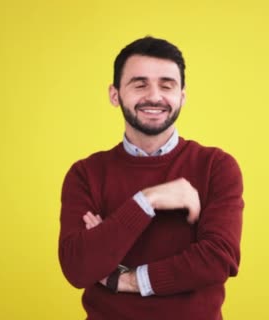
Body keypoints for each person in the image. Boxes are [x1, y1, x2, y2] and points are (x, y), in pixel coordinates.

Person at [58, 36, 244, 320]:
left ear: (182, 96)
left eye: (167, 85)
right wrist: (147, 200)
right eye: (139, 84)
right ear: (115, 94)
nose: (154, 96)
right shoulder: (85, 174)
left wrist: (123, 277)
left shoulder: (216, 166)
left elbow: (217, 260)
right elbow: (78, 267)